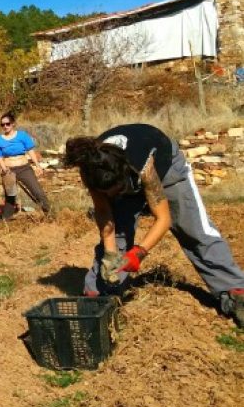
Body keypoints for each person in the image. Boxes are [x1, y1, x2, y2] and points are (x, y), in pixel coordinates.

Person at [64, 123, 244, 327]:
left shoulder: (144, 165)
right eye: (109, 193)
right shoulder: (91, 170)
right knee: (118, 240)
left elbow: (164, 218)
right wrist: (110, 253)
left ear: (124, 177)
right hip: (118, 177)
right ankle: (98, 297)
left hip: (167, 172)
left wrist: (139, 253)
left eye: (115, 191)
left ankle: (235, 291)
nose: (113, 197)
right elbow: (105, 213)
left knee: (195, 230)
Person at [0, 112, 50, 221]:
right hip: (9, 170)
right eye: (2, 125)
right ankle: (6, 219)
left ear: (13, 124)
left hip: (24, 168)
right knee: (10, 196)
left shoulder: (22, 135)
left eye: (7, 124)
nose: (5, 126)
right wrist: (5, 170)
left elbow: (30, 151)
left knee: (37, 191)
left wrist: (37, 165)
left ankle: (49, 213)